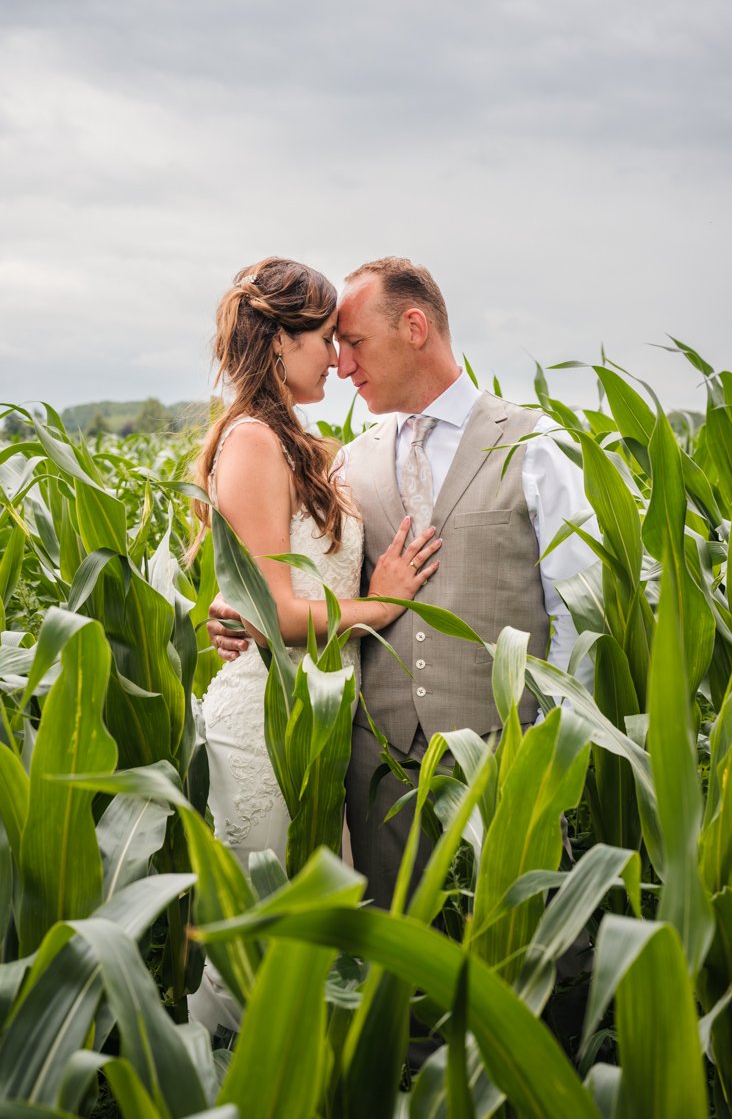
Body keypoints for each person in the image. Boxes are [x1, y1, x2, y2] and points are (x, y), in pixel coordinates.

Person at [210, 256, 596, 912]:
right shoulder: (350, 461)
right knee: (383, 962)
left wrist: (553, 744)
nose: (341, 361)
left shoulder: (534, 445)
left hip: (503, 752)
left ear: (414, 327)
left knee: (522, 942)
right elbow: (288, 574)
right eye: (331, 340)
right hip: (366, 764)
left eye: (353, 340)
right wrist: (237, 603)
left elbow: (578, 607)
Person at [188, 256, 440, 1036]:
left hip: (318, 717)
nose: (337, 356)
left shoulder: (307, 446)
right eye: (323, 337)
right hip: (268, 720)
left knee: (312, 927)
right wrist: (386, 602)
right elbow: (277, 613)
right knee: (268, 932)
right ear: (277, 341)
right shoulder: (254, 441)